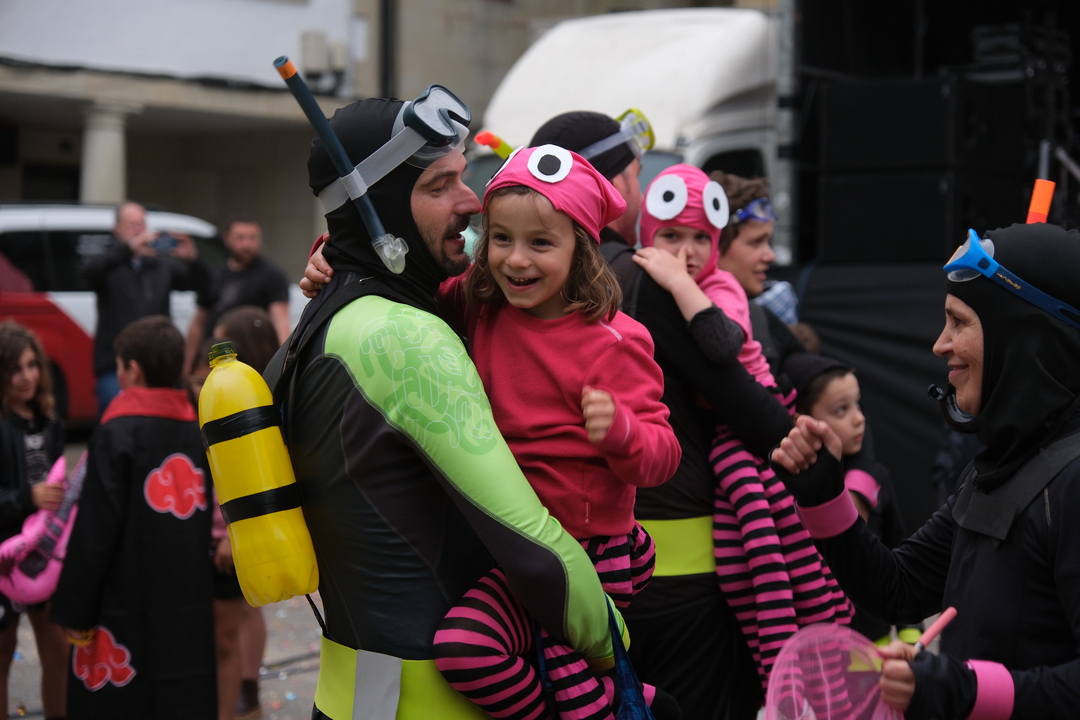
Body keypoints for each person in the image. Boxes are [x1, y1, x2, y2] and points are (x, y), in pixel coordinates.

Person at [276, 93, 619, 720]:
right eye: (440, 185)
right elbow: (536, 552)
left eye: (463, 176)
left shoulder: (321, 319)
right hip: (437, 699)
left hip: (353, 696)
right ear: (376, 207)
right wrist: (617, 652)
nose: (471, 201)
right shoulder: (403, 337)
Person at [525, 113, 795, 720]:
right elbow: (747, 404)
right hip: (673, 573)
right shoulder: (638, 273)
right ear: (609, 184)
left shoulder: (509, 283)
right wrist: (798, 439)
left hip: (559, 573)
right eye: (634, 175)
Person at [771, 222, 1080, 718]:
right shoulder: (1000, 466)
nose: (940, 344)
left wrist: (964, 689)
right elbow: (899, 589)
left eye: (959, 322)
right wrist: (823, 496)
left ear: (1021, 336)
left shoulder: (1072, 479)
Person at [429, 145, 680, 720]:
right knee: (559, 672)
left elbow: (664, 455)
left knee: (466, 648)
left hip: (579, 553)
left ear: (581, 250)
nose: (516, 259)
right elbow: (404, 289)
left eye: (540, 243)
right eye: (500, 238)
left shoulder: (613, 341)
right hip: (515, 541)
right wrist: (332, 261)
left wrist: (621, 434)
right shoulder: (482, 305)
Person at [632, 165, 851, 691]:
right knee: (741, 555)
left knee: (774, 549)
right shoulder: (660, 287)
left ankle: (803, 648)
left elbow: (723, 345)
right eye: (670, 237)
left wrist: (678, 281)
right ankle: (781, 655)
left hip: (748, 435)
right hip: (731, 437)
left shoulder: (717, 287)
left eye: (698, 240)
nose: (685, 254)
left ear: (714, 244)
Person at [51, 316, 215, 720]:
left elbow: (94, 531)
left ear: (133, 370)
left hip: (123, 599)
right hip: (185, 601)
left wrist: (75, 608)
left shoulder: (117, 432)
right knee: (182, 692)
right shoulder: (196, 428)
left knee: (120, 699)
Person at [784, 352, 915, 645]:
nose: (859, 418)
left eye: (858, 404)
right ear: (802, 420)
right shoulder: (787, 489)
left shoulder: (878, 476)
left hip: (876, 644)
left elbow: (900, 549)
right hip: (818, 647)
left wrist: (910, 634)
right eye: (841, 410)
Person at [210, 307, 277, 720]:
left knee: (247, 608)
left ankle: (246, 688)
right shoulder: (232, 389)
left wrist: (225, 531)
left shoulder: (250, 395)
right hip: (233, 519)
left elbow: (245, 473)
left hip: (242, 521)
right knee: (247, 607)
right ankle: (244, 687)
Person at [83, 201, 210, 417]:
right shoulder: (109, 262)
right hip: (116, 363)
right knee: (117, 417)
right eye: (132, 225)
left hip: (157, 362)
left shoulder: (159, 263)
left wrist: (193, 259)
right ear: (117, 230)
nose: (138, 230)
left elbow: (201, 285)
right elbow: (88, 273)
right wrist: (128, 250)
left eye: (141, 224)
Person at [0, 321, 68, 720]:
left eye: (31, 365)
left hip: (43, 555)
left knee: (57, 648)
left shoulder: (50, 421)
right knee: (3, 652)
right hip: (5, 557)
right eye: (14, 369)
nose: (26, 377)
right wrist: (28, 498)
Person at [710, 172, 807, 379]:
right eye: (756, 242)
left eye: (768, 242)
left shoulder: (772, 311)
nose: (770, 256)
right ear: (714, 245)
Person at [184, 217, 291, 373]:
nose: (247, 244)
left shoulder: (272, 276)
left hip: (254, 361)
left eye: (252, 238)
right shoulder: (215, 275)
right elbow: (199, 323)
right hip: (216, 358)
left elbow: (281, 322)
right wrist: (188, 366)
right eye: (240, 238)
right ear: (227, 239)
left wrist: (283, 365)